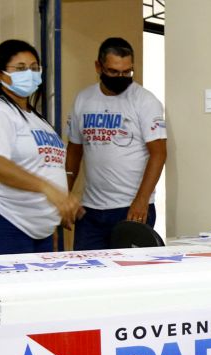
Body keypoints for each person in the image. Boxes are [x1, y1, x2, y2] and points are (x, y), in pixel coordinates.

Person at [0, 39, 80, 256]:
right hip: (2, 219)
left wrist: (49, 220)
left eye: (34, 68)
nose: (30, 73)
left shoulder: (36, 119)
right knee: (8, 290)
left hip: (37, 229)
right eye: (20, 68)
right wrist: (49, 190)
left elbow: (45, 166)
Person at [65, 37, 167, 250]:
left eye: (126, 72)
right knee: (88, 272)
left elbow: (159, 154)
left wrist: (141, 201)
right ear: (98, 66)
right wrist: (64, 194)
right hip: (91, 210)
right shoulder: (83, 99)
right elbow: (74, 151)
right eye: (113, 72)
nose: (120, 77)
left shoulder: (145, 101)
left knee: (130, 276)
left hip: (131, 208)